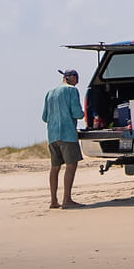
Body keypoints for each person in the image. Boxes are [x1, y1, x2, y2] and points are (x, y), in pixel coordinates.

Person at [42, 68, 85, 208]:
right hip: (67, 134)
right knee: (71, 165)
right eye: (76, 79)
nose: (77, 82)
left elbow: (44, 117)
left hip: (52, 135)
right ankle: (67, 199)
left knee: (55, 167)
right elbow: (77, 113)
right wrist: (84, 113)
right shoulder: (71, 91)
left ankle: (53, 200)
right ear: (71, 77)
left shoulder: (50, 93)